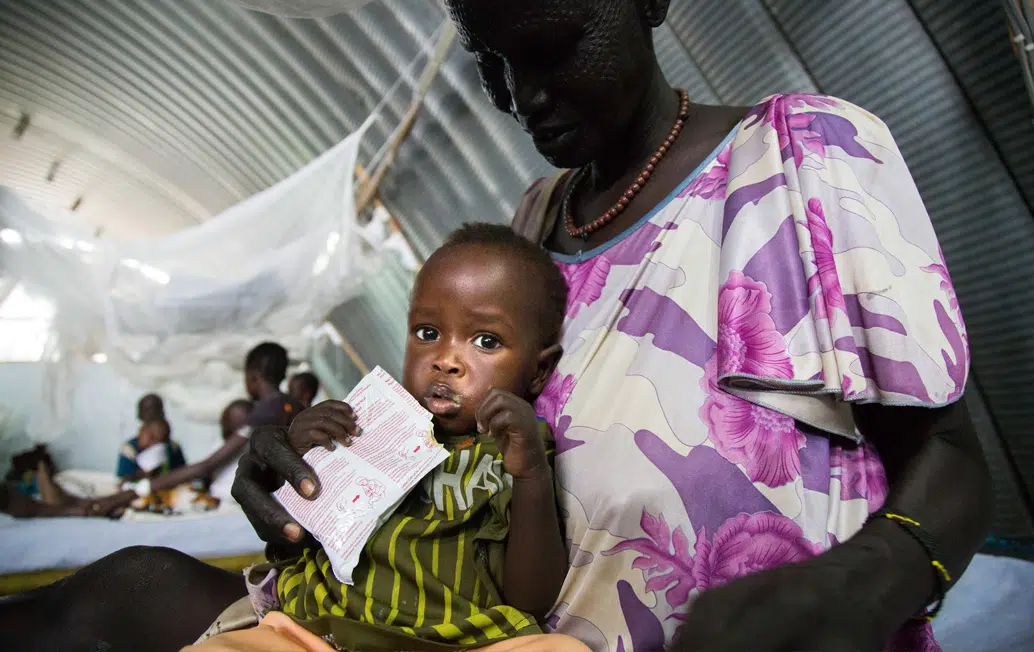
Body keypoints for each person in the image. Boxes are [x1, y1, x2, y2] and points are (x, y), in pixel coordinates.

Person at [0, 2, 992, 652]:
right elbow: (446, 461)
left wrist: (871, 576)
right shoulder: (526, 227)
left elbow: (946, 448)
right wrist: (318, 477)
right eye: (486, 61)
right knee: (120, 595)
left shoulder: (800, 160)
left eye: (554, 43)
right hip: (475, 636)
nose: (522, 97)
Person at [189, 224, 583, 652]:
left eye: (486, 341)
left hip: (456, 643)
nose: (446, 361)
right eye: (427, 333)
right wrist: (304, 450)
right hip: (321, 629)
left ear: (540, 371)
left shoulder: (518, 448)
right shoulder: (364, 425)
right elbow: (295, 539)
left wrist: (529, 477)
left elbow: (531, 601)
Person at [116, 418, 187, 482]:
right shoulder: (128, 450)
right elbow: (122, 482)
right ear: (143, 431)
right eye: (152, 438)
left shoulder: (172, 447)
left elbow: (183, 474)